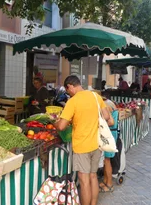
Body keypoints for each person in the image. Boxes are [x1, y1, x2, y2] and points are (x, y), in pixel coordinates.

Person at [55, 75, 113, 205]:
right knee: (93, 176)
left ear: (70, 86)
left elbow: (62, 126)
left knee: (84, 180)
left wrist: (55, 123)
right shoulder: (95, 96)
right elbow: (107, 116)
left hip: (82, 146)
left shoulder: (73, 101)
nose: (68, 93)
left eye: (67, 90)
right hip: (97, 144)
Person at [99, 96, 119, 193]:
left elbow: (111, 122)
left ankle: (109, 184)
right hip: (111, 133)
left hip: (109, 134)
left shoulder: (106, 105)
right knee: (106, 160)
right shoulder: (109, 103)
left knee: (107, 161)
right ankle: (106, 181)